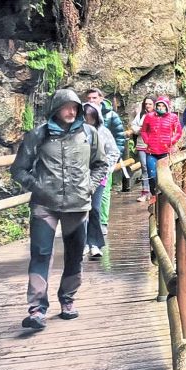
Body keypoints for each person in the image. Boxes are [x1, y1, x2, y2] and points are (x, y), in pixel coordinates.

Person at [11, 89, 110, 331]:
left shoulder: (89, 134)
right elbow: (19, 169)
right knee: (41, 253)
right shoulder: (39, 135)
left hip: (77, 205)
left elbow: (101, 164)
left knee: (75, 254)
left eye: (75, 107)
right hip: (44, 205)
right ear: (55, 108)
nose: (71, 111)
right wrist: (38, 187)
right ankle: (36, 309)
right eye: (66, 106)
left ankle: (67, 300)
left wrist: (88, 186)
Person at [84, 89, 126, 234]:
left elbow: (120, 136)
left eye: (94, 97)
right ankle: (87, 231)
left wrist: (110, 163)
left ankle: (102, 223)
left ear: (101, 98)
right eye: (89, 97)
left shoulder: (110, 116)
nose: (91, 100)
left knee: (103, 194)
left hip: (103, 164)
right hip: (84, 170)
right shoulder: (81, 120)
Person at [82, 103, 121, 258]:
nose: (88, 122)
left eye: (91, 119)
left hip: (99, 177)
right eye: (85, 119)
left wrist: (107, 168)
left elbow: (113, 152)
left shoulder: (103, 132)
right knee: (82, 211)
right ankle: (85, 243)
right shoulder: (75, 133)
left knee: (95, 209)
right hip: (80, 178)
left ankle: (94, 244)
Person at [140, 96, 183, 195]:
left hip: (165, 151)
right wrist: (148, 141)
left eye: (163, 106)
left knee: (165, 175)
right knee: (152, 174)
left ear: (167, 107)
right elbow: (143, 131)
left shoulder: (173, 117)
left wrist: (170, 141)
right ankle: (154, 194)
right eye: (158, 105)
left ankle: (164, 197)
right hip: (151, 151)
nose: (160, 108)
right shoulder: (149, 116)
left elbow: (178, 132)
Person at [130, 97, 156, 202]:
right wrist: (141, 130)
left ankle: (154, 191)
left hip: (153, 145)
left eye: (150, 104)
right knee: (144, 167)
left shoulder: (157, 115)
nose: (148, 106)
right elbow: (133, 126)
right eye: (146, 104)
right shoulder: (141, 115)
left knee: (152, 167)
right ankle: (145, 192)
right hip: (142, 144)